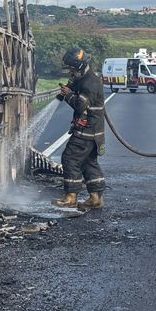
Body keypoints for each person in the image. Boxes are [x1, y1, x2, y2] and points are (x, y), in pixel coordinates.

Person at [51, 46, 106, 211]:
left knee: (70, 159)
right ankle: (96, 198)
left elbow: (80, 105)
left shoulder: (90, 82)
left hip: (86, 132)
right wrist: (70, 89)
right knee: (88, 162)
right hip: (94, 133)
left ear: (80, 66)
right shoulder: (86, 79)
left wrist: (68, 94)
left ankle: (71, 197)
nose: (70, 72)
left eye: (72, 69)